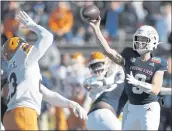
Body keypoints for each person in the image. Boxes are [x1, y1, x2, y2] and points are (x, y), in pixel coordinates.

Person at [81, 12, 168, 130]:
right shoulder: (129, 57)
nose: (140, 43)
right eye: (138, 39)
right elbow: (107, 51)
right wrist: (96, 29)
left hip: (145, 108)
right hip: (127, 110)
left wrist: (138, 83)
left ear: (153, 41)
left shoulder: (158, 62)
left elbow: (156, 89)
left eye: (144, 39)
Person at [2, 11, 87, 130]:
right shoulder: (24, 59)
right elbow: (48, 37)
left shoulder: (17, 70)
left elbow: (45, 94)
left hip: (10, 116)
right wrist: (32, 25)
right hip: (24, 113)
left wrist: (70, 103)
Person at [83, 51, 126, 130]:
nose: (97, 68)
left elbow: (118, 78)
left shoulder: (114, 76)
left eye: (99, 65)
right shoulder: (91, 81)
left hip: (116, 113)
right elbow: (87, 84)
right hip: (103, 113)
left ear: (106, 64)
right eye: (93, 66)